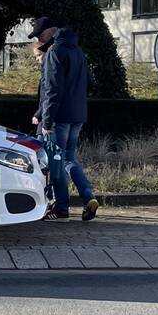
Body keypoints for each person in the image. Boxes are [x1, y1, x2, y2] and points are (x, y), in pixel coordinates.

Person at [34, 19, 100, 222]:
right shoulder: (77, 51)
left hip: (59, 117)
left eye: (40, 34)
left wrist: (46, 122)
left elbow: (52, 90)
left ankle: (61, 209)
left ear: (51, 31)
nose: (39, 38)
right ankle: (88, 197)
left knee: (56, 162)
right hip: (78, 116)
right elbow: (90, 82)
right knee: (69, 159)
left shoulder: (55, 51)